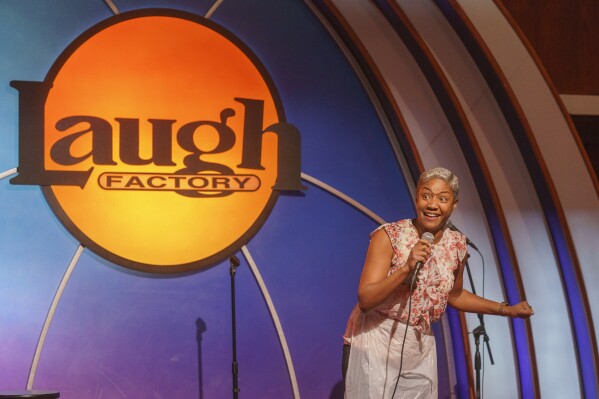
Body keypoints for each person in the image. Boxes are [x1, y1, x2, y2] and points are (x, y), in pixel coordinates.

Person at [342, 167, 534, 398]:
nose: (433, 205)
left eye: (443, 199)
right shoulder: (389, 236)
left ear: (454, 205)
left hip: (419, 346)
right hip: (374, 338)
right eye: (426, 196)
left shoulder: (456, 245)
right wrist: (405, 269)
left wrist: (506, 310)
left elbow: (455, 295)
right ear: (416, 199)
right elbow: (366, 300)